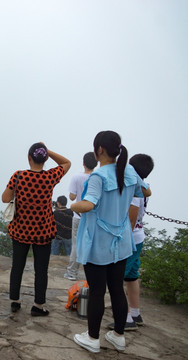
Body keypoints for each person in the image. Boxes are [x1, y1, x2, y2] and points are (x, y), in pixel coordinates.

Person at [71, 131, 151, 353]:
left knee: (97, 291)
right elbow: (147, 191)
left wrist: (73, 206)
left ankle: (93, 338)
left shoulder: (98, 177)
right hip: (122, 241)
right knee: (116, 288)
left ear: (99, 150)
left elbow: (88, 205)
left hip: (99, 242)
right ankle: (118, 336)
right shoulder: (129, 171)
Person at [1, 143, 71, 316]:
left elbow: (5, 198)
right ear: (45, 159)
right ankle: (38, 306)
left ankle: (15, 301)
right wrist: (49, 151)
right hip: (43, 232)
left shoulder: (18, 176)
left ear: (29, 158)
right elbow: (67, 163)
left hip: (20, 231)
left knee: (17, 266)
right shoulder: (50, 177)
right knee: (41, 270)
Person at [108, 154, 154, 331]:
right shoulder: (145, 187)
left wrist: (122, 240)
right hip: (139, 237)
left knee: (117, 278)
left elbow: (131, 218)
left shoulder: (135, 190)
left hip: (130, 239)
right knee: (131, 276)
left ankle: (126, 319)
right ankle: (135, 313)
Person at [64, 152, 97, 280]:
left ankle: (72, 273)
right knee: (93, 244)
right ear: (96, 164)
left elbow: (72, 196)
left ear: (83, 163)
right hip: (93, 216)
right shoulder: (98, 177)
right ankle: (93, 274)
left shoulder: (76, 177)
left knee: (76, 244)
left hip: (78, 216)